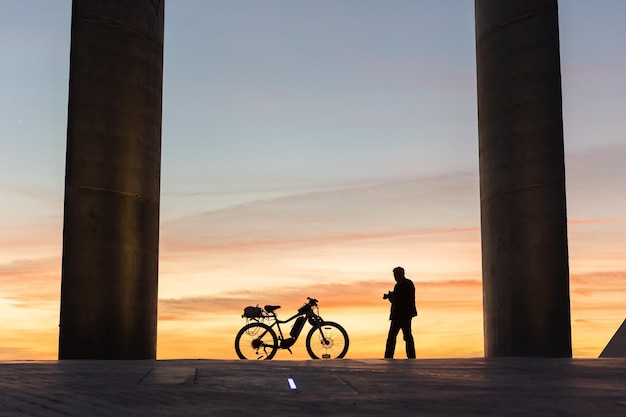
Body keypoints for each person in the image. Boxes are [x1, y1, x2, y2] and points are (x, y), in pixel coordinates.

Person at [384, 266, 417, 358]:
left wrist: (392, 297)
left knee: (406, 336)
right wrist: (391, 297)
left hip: (404, 314)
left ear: (401, 274)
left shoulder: (407, 284)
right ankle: (388, 356)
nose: (395, 277)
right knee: (393, 336)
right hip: (397, 314)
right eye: (394, 275)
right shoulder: (398, 285)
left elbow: (402, 299)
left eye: (396, 275)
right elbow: (396, 299)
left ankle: (411, 356)